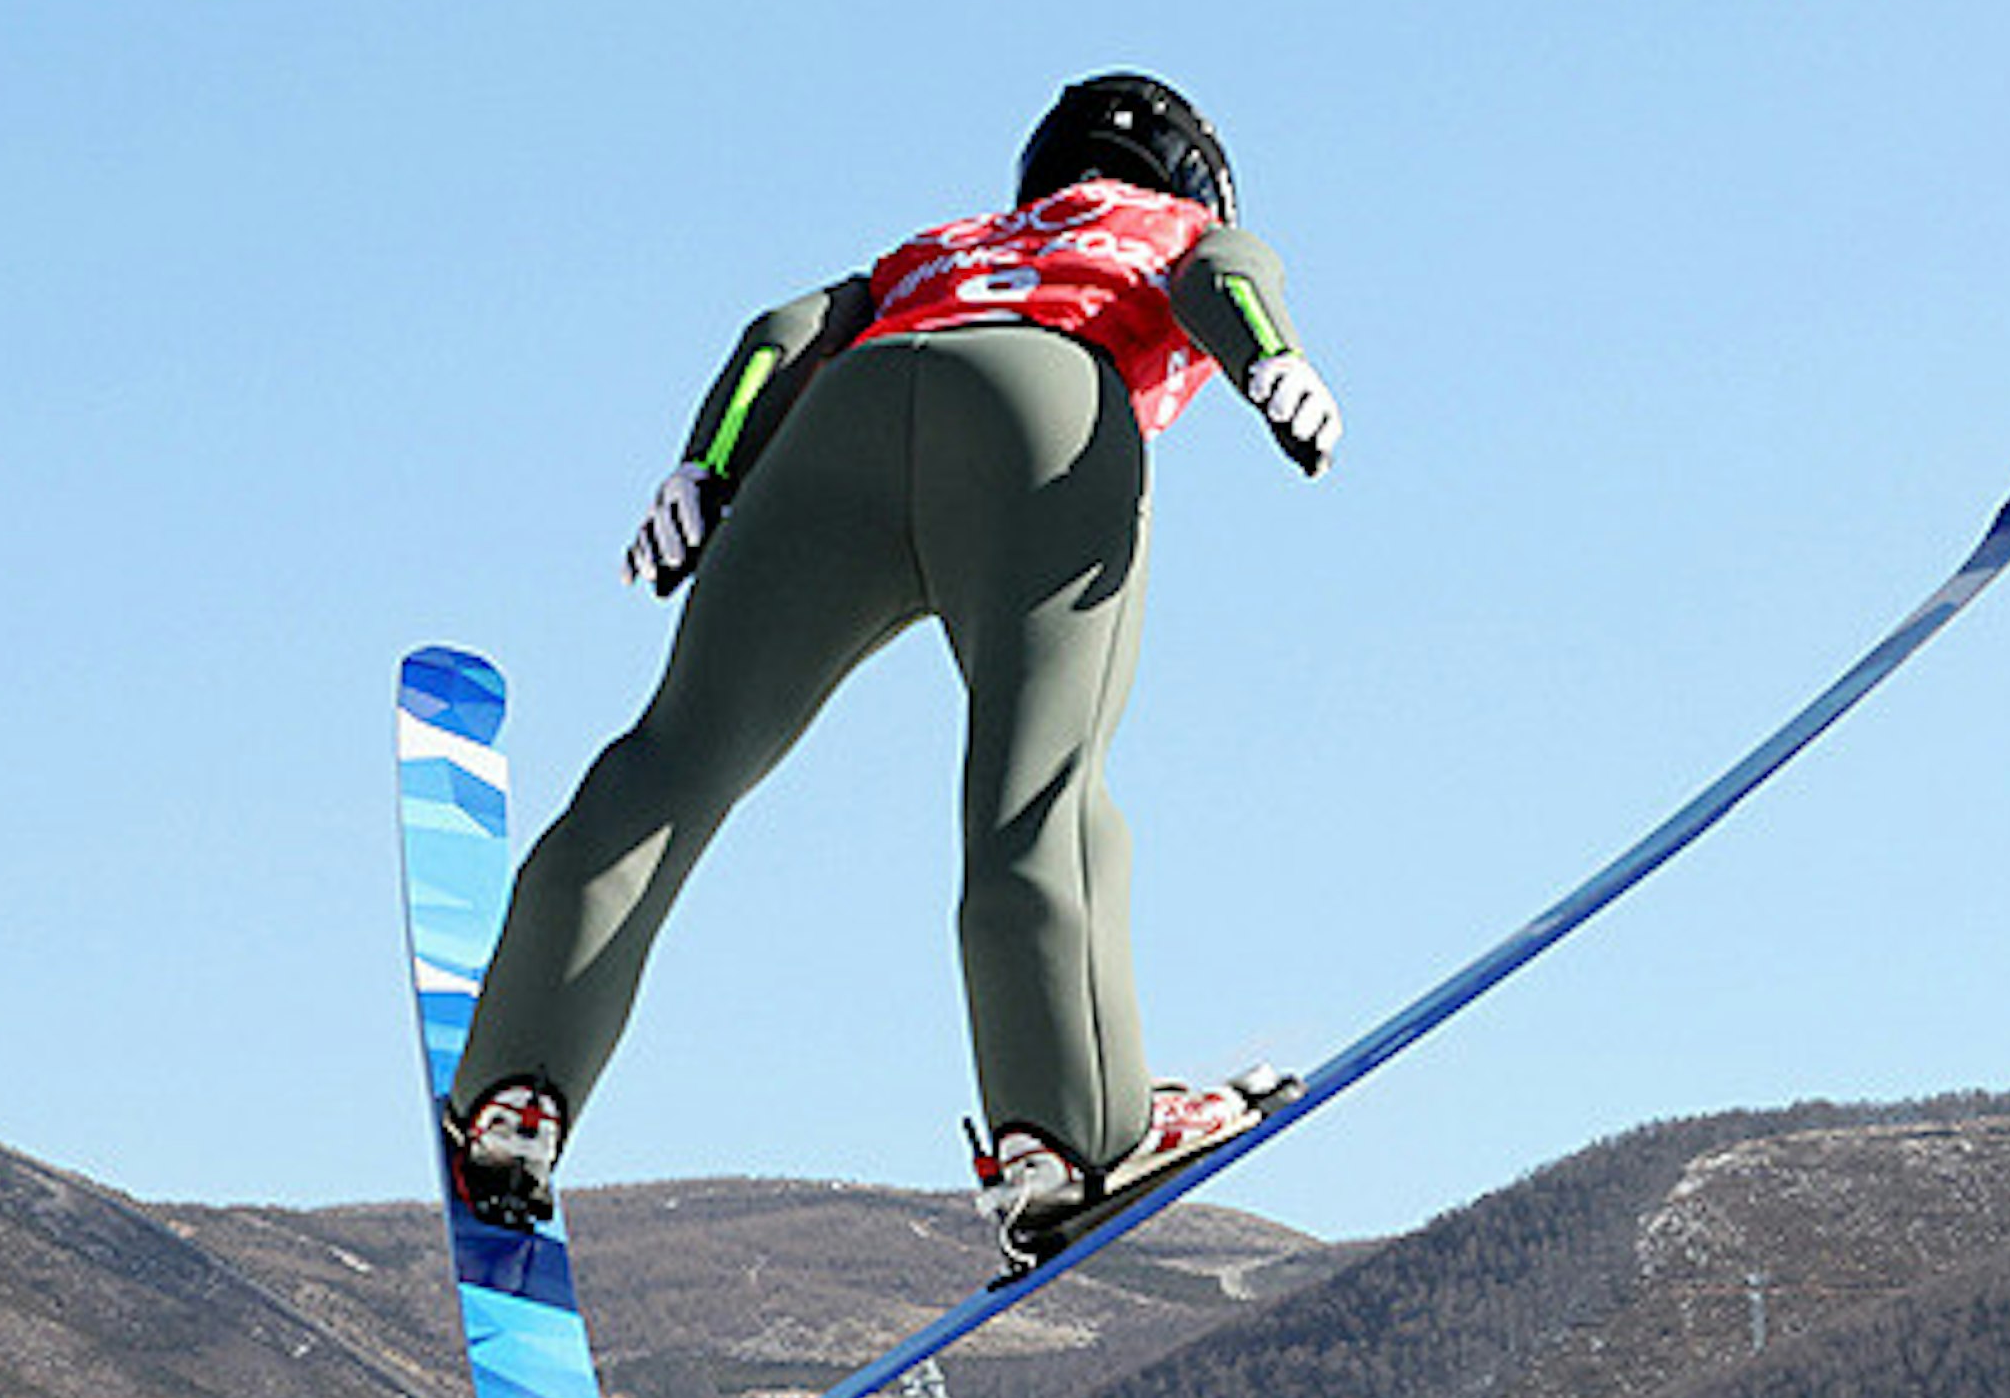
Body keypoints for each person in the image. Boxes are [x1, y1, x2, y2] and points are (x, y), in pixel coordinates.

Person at [448, 74, 1341, 1266]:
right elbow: (1224, 275)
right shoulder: (1165, 223)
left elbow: (782, 332)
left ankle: (514, 1089)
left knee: (675, 755)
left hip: (854, 411)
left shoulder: (947, 242)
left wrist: (705, 470)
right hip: (1045, 404)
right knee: (1038, 790)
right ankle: (1061, 1138)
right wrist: (1272, 363)